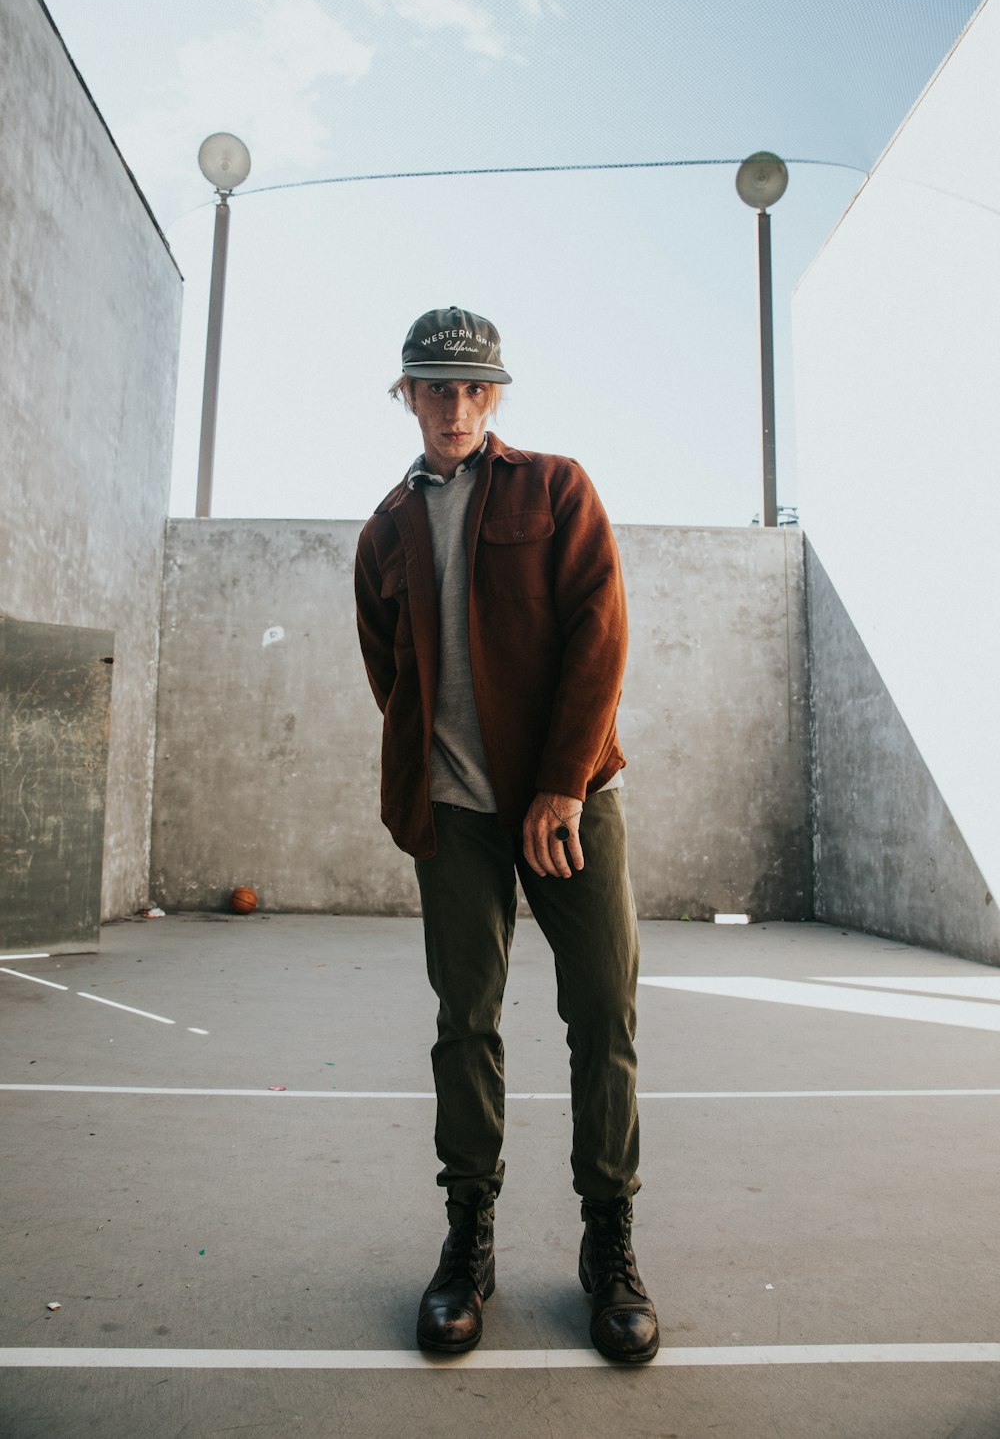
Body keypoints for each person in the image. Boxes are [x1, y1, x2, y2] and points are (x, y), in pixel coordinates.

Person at [354, 306, 658, 1363]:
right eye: (432, 387)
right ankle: (468, 1238)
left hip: (570, 804)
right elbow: (390, 673)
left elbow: (600, 631)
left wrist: (562, 784)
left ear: (496, 398)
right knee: (465, 1022)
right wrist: (432, 786)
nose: (452, 406)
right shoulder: (385, 530)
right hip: (458, 815)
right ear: (406, 395)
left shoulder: (554, 487)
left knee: (601, 1013)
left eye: (471, 387)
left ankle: (607, 1244)